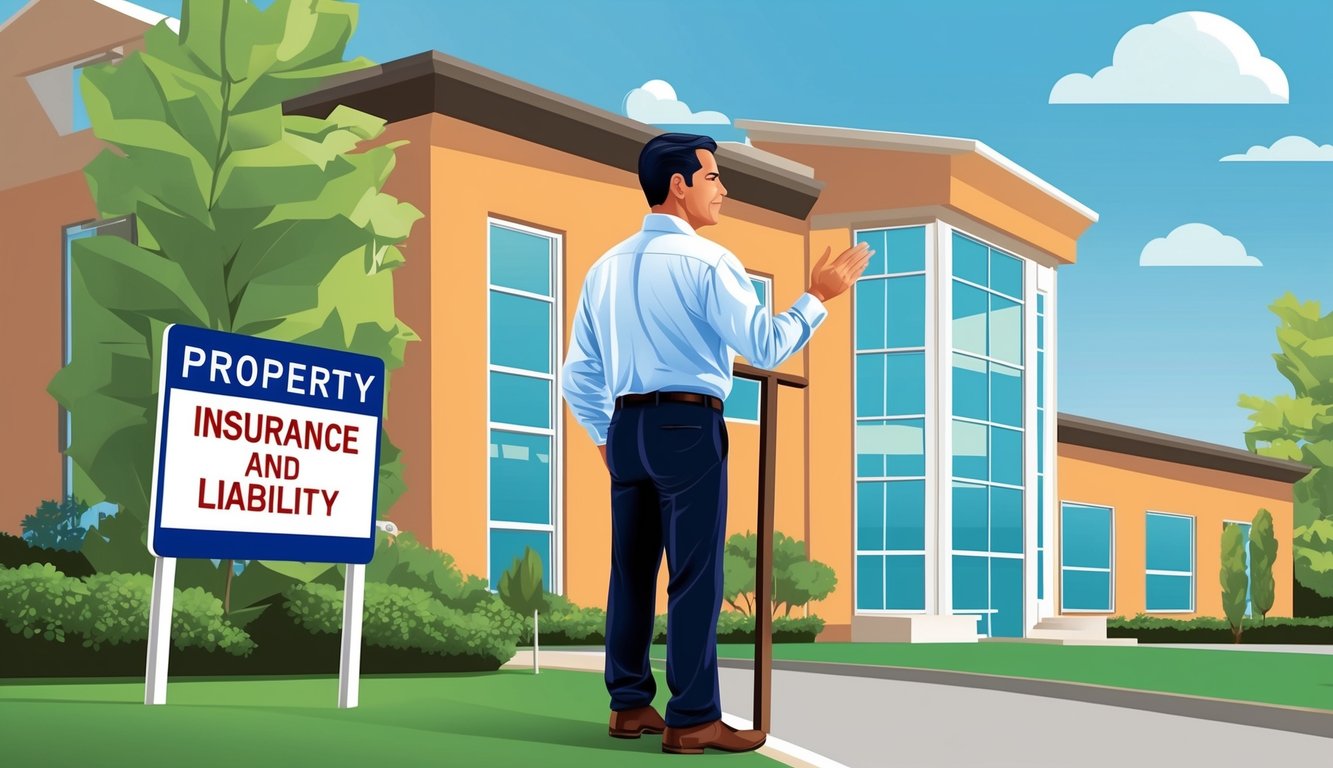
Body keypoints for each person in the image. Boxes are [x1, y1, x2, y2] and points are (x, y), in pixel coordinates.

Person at [561, 132, 871, 755]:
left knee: (631, 571)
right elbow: (764, 346)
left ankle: (628, 705)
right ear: (679, 185)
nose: (723, 191)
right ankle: (694, 717)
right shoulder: (710, 263)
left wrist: (605, 436)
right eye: (713, 179)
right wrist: (819, 297)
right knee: (695, 574)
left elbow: (578, 374)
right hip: (687, 424)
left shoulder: (604, 268)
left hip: (625, 427)